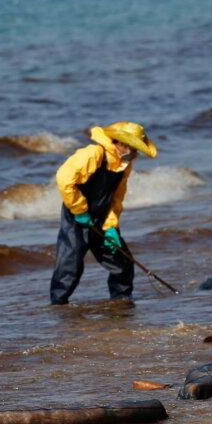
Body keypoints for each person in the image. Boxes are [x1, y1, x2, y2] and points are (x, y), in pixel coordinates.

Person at [49, 122, 157, 305]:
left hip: (102, 217)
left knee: (122, 262)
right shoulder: (93, 154)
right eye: (135, 149)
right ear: (122, 144)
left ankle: (121, 303)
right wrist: (80, 209)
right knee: (70, 267)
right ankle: (59, 306)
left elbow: (116, 197)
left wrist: (111, 226)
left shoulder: (124, 165)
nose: (136, 155)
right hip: (76, 217)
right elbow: (64, 178)